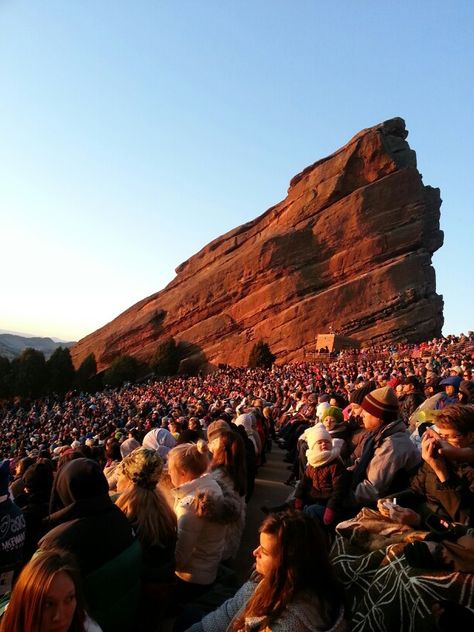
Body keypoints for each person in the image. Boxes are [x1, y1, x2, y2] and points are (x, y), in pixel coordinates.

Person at [184, 511, 347, 631]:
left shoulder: (288, 624)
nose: (255, 552)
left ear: (289, 564)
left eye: (265, 551)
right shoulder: (271, 579)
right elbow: (230, 610)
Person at [378, 404, 474, 527]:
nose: (443, 443)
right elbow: (416, 490)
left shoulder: (469, 469)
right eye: (442, 436)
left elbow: (465, 521)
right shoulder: (436, 457)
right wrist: (392, 501)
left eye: (452, 437)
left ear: (470, 436)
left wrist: (442, 474)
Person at [115, 447, 177, 624]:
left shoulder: (125, 513)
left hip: (139, 600)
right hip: (162, 597)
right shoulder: (166, 508)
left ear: (128, 478)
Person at [168, 441, 228, 603]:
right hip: (208, 569)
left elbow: (179, 559)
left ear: (182, 472)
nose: (168, 473)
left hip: (190, 579)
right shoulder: (212, 485)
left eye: (170, 469)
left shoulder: (189, 506)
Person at [0, 547, 102, 631]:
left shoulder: (85, 626)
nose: (58, 616)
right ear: (27, 603)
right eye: (48, 604)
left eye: (69, 599)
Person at [350, 386, 421, 505]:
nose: (361, 414)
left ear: (378, 416)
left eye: (366, 411)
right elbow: (363, 462)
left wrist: (340, 498)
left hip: (383, 505)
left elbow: (372, 490)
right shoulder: (378, 435)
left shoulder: (392, 445)